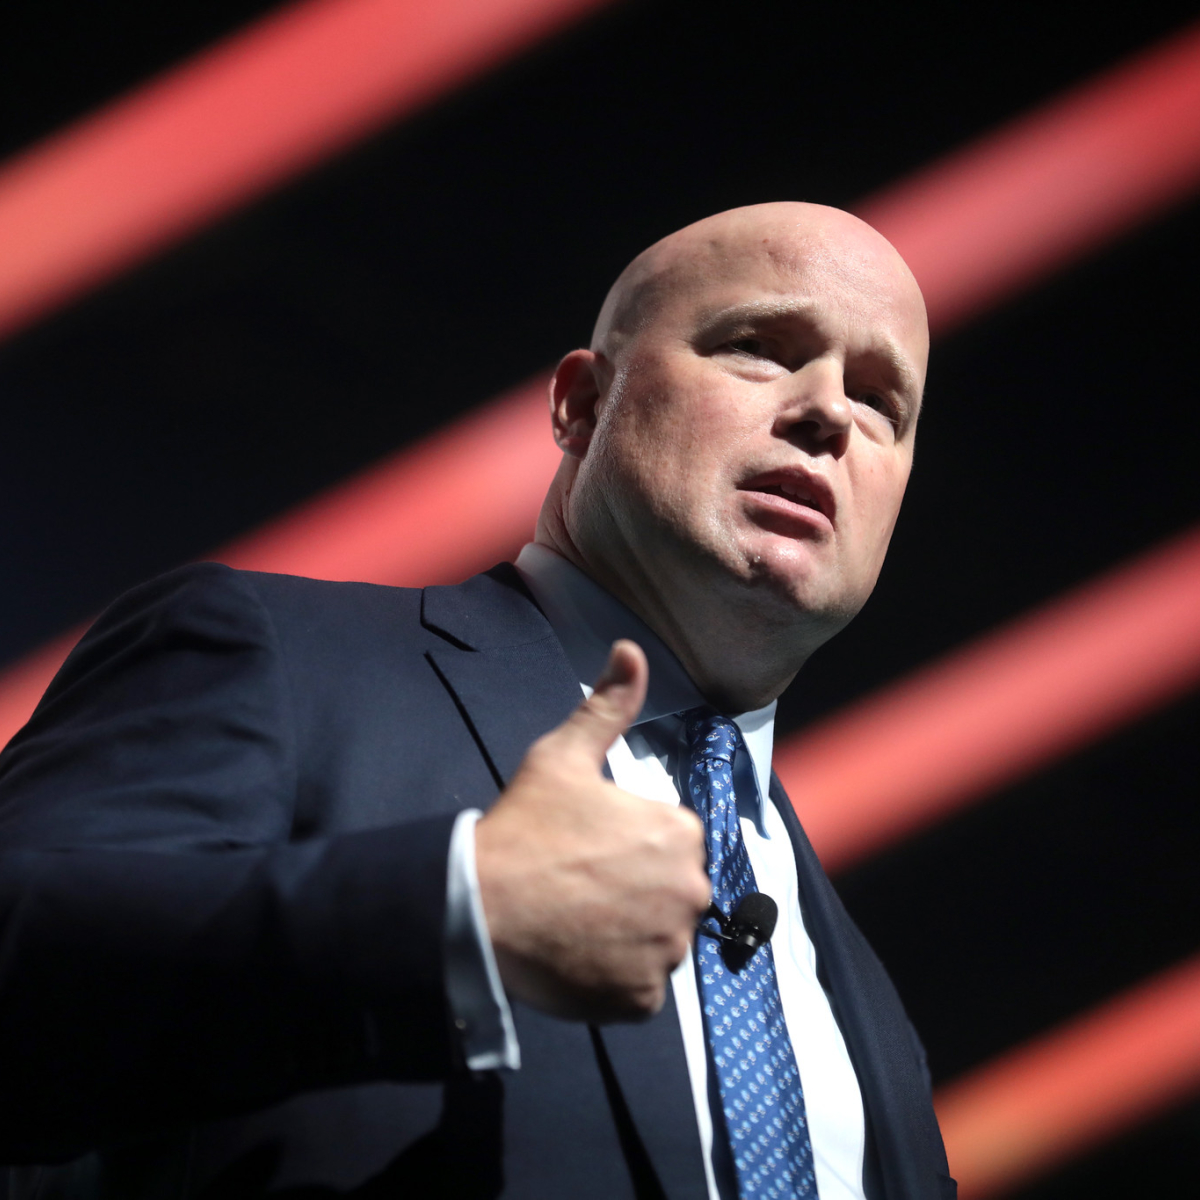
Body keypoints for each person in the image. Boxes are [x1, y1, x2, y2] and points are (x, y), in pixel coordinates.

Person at [0, 202, 954, 1199]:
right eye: (758, 347)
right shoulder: (277, 658)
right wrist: (451, 916)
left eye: (880, 400)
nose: (829, 412)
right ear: (582, 403)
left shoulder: (873, 1006)